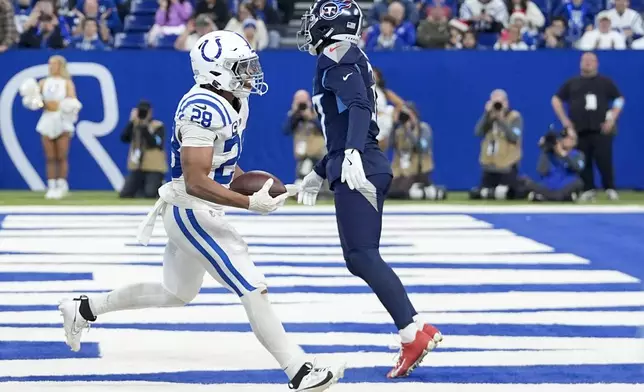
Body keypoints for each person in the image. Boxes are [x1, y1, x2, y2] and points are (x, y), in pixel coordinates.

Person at [57, 30, 344, 392]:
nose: (251, 74)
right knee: (252, 287)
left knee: (175, 293)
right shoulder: (202, 108)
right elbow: (195, 180)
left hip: (199, 206)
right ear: (215, 72)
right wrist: (248, 203)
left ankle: (84, 308)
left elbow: (224, 168)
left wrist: (270, 189)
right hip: (191, 209)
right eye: (242, 67)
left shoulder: (233, 99)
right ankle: (299, 370)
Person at [296, 0, 442, 379]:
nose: (309, 27)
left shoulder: (336, 51)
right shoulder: (345, 53)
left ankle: (412, 332)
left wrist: (350, 153)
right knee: (359, 255)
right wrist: (322, 169)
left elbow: (359, 105)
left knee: (362, 255)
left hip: (362, 164)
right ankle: (415, 328)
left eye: (314, 21)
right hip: (359, 161)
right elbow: (344, 122)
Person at [551, 52, 624, 201]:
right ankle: (588, 188)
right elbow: (556, 99)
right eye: (585, 60)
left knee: (604, 160)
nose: (588, 63)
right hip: (579, 129)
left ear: (597, 63)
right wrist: (565, 121)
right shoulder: (572, 83)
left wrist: (612, 118)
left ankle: (609, 188)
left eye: (591, 60)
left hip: (600, 129)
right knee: (584, 161)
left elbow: (619, 99)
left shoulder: (605, 82)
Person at [19, 55, 81, 199]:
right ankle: (51, 185)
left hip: (62, 119)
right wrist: (36, 101)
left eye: (54, 64)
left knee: (62, 155)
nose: (51, 67)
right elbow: (36, 100)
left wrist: (60, 105)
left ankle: (62, 184)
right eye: (50, 64)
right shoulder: (43, 82)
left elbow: (72, 100)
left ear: (61, 66)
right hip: (47, 119)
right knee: (50, 156)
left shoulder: (67, 83)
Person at [470, 89, 523, 200]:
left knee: (511, 194)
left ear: (506, 102)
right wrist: (486, 114)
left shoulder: (515, 117)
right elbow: (478, 132)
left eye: (500, 102)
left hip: (507, 167)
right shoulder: (489, 118)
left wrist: (501, 120)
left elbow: (514, 137)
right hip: (490, 168)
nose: (498, 105)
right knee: (478, 194)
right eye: (495, 102)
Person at [119, 100, 167, 199]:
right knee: (125, 194)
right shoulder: (134, 125)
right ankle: (140, 189)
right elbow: (124, 138)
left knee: (150, 194)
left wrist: (144, 126)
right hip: (137, 167)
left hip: (154, 167)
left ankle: (159, 185)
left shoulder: (158, 126)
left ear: (150, 112)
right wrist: (131, 122)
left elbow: (154, 143)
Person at [526, 127, 585, 202]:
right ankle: (563, 198)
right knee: (527, 182)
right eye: (564, 136)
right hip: (549, 184)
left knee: (579, 182)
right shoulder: (550, 153)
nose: (566, 139)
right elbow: (542, 171)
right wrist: (545, 149)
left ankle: (545, 197)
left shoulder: (578, 155)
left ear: (575, 141)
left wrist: (564, 154)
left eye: (569, 137)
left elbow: (578, 168)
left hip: (566, 183)